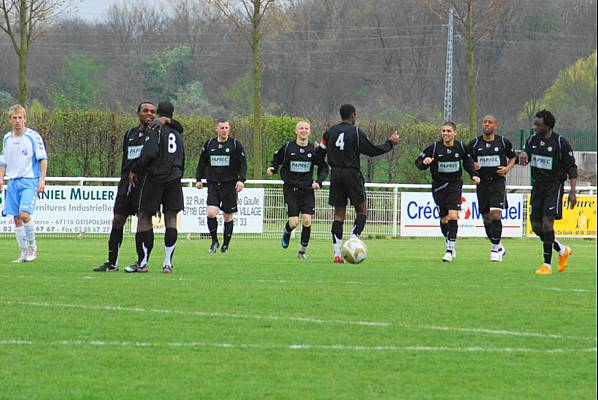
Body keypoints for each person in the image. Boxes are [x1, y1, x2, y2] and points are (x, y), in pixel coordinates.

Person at [317, 104, 399, 263]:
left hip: (336, 175)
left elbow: (320, 152)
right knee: (362, 210)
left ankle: (337, 254)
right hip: (351, 174)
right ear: (353, 115)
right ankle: (354, 240)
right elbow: (372, 150)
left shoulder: (330, 132)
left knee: (338, 215)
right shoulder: (355, 132)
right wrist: (390, 142)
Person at [92, 101, 156, 272]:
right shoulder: (130, 133)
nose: (149, 114)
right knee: (118, 218)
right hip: (126, 182)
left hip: (144, 183)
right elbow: (126, 157)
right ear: (138, 113)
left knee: (144, 220)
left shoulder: (156, 134)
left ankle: (142, 262)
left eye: (152, 111)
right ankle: (112, 262)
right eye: (145, 111)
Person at [126, 101, 185, 273]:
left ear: (159, 113)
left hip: (155, 178)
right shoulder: (178, 132)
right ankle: (167, 263)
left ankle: (143, 262)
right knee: (171, 219)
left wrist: (135, 169)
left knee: (144, 216)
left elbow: (150, 153)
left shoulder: (155, 129)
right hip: (174, 179)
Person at [518, 110, 577, 276]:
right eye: (535, 124)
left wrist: (573, 191)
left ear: (548, 125)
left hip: (554, 187)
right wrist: (522, 154)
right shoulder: (532, 140)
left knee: (547, 223)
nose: (535, 127)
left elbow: (572, 167)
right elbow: (525, 154)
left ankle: (546, 265)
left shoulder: (560, 142)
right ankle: (561, 249)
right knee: (536, 227)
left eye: (538, 124)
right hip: (538, 187)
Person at [415, 121, 480, 262]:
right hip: (438, 187)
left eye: (448, 131)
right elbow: (418, 163)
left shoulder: (461, 147)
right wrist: (424, 162)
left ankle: (450, 249)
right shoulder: (434, 148)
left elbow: (468, 162)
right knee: (444, 218)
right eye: (443, 131)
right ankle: (448, 241)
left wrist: (473, 174)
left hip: (454, 185)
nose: (445, 133)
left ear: (455, 133)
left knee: (453, 215)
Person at [267, 121, 329, 259]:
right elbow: (276, 159)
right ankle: (287, 230)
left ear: (310, 131)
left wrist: (318, 182)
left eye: (306, 128)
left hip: (307, 190)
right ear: (296, 131)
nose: (304, 130)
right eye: (301, 128)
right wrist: (273, 168)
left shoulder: (314, 149)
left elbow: (324, 168)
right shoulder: (288, 147)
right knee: (294, 222)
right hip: (290, 189)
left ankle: (302, 251)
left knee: (307, 221)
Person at [0, 104, 48, 263]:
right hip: (13, 181)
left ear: (25, 119)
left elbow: (43, 158)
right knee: (16, 218)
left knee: (24, 214)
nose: (17, 121)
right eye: (14, 118)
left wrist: (42, 180)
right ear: (10, 120)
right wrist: (1, 178)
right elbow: (3, 161)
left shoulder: (33, 137)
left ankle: (32, 248)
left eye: (20, 117)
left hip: (29, 181)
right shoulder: (7, 138)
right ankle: (22, 252)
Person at [467, 115, 517, 262]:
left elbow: (513, 157)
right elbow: (466, 159)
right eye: (484, 122)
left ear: (495, 126)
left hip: (497, 183)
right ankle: (499, 246)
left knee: (495, 214)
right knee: (486, 218)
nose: (486, 125)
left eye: (490, 122)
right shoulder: (475, 143)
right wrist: (472, 167)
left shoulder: (503, 142)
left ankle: (495, 249)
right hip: (482, 184)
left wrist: (507, 169)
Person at [195, 118, 247, 254]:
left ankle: (225, 245)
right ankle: (214, 241)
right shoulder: (209, 144)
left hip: (229, 185)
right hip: (213, 183)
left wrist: (241, 180)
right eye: (222, 128)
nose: (224, 130)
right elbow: (202, 163)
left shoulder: (235, 144)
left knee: (228, 216)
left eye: (226, 128)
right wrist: (198, 179)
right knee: (211, 213)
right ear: (216, 129)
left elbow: (243, 164)